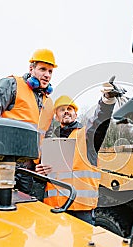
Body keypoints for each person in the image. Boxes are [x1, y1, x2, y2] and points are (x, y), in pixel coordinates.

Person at [0, 48, 56, 199]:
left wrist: (44, 163)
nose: (47, 75)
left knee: (22, 215)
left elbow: (47, 138)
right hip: (2, 166)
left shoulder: (49, 103)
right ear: (31, 69)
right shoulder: (11, 84)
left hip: (29, 172)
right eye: (43, 69)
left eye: (50, 71)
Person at [41, 87, 119, 225]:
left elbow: (99, 121)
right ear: (56, 116)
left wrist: (107, 101)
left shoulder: (87, 136)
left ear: (75, 115)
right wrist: (40, 171)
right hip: (55, 209)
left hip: (81, 211)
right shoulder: (49, 142)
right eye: (62, 109)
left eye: (70, 109)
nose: (66, 111)